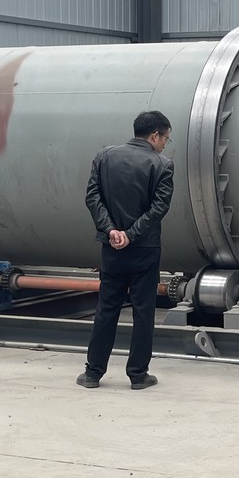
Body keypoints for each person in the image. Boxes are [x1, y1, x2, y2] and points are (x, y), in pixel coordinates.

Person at [77, 110, 174, 390]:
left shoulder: (105, 156)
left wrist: (111, 231)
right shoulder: (162, 165)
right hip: (145, 249)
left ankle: (93, 373)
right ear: (155, 135)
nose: (165, 144)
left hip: (112, 248)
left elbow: (92, 197)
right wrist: (131, 235)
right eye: (166, 138)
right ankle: (138, 375)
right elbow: (159, 208)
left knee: (107, 308)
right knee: (143, 312)